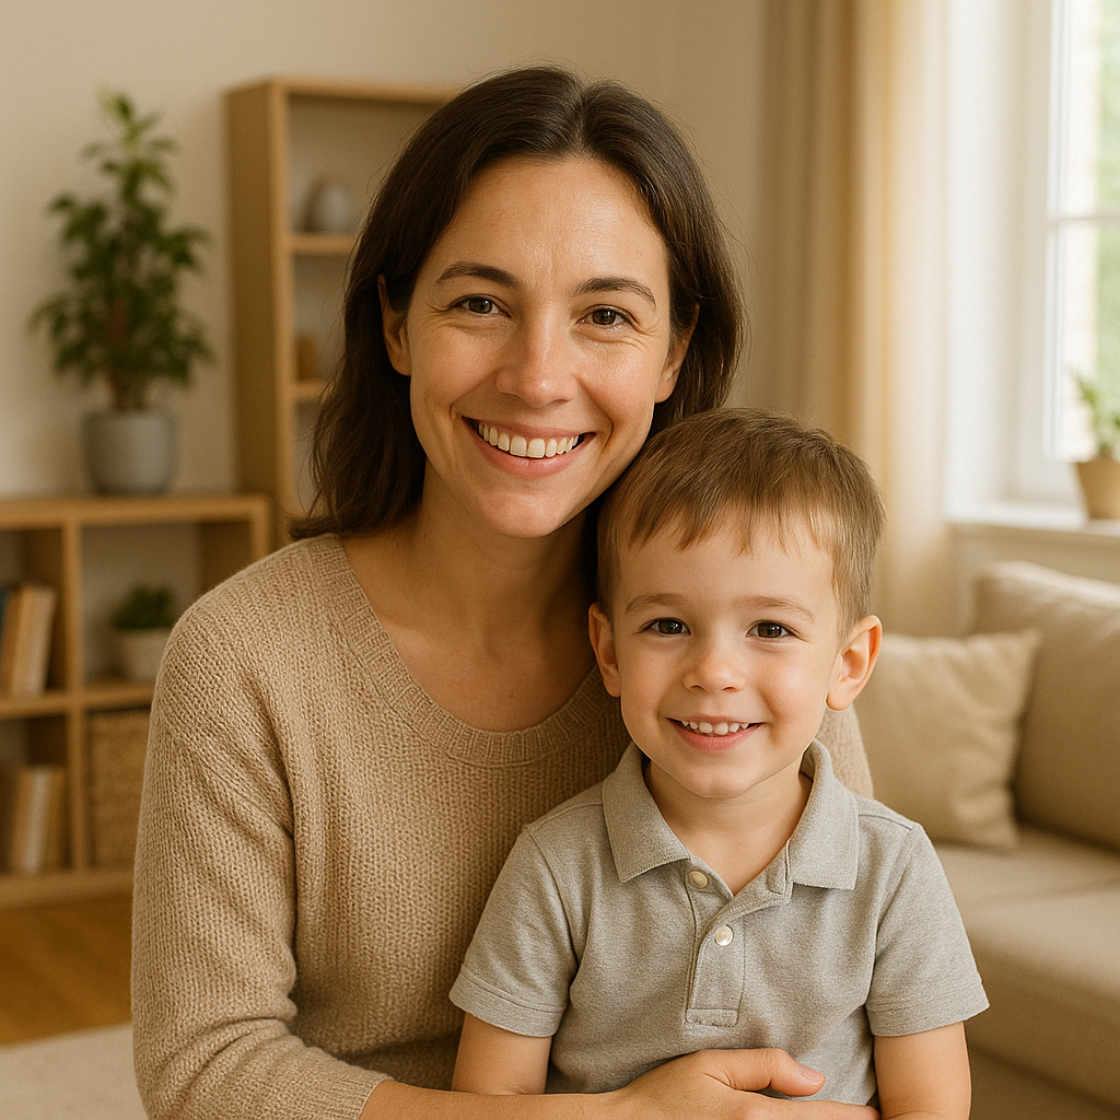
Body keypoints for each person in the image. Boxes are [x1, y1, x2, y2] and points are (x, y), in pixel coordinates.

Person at [131, 66, 878, 1120]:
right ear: (395, 325)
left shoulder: (750, 639)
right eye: (480, 302)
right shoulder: (246, 656)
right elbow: (204, 1069)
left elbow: (870, 975)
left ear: (673, 352)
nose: (536, 376)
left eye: (605, 315)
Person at [450, 409, 988, 1116]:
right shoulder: (557, 866)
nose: (714, 671)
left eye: (770, 628)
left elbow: (934, 1109)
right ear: (610, 651)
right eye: (668, 625)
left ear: (848, 663)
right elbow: (485, 1104)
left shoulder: (894, 869)